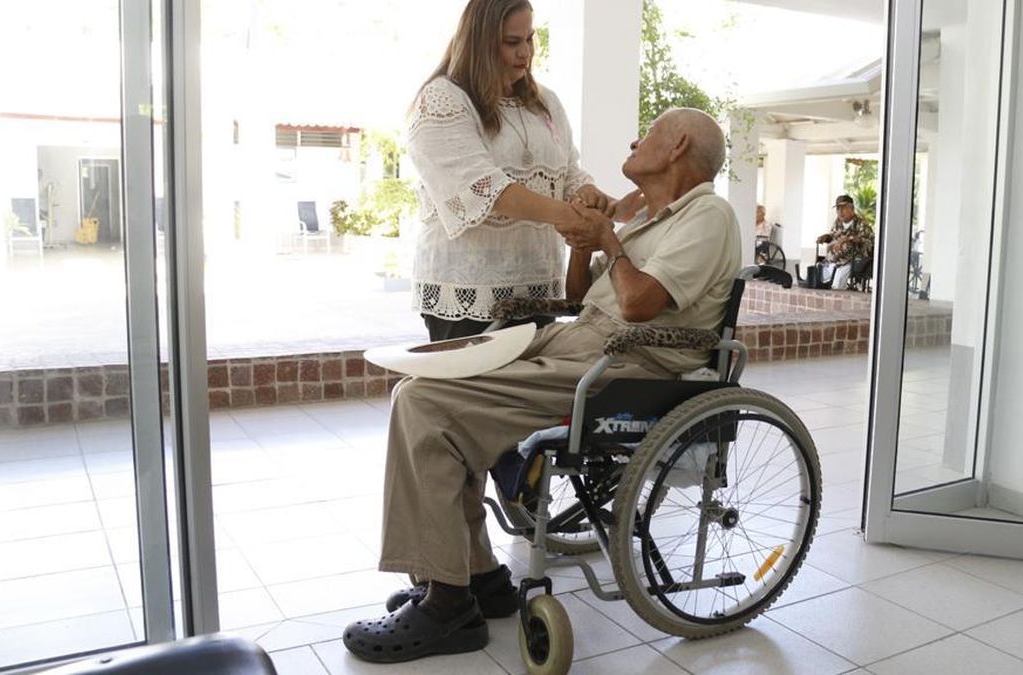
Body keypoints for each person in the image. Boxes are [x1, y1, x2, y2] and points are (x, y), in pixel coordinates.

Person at [342, 108, 741, 664]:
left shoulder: (709, 216)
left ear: (677, 147)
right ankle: (477, 577)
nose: (635, 138)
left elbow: (638, 304)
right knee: (428, 382)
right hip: (581, 340)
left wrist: (608, 237)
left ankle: (448, 604)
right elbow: (581, 295)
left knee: (422, 404)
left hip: (627, 365)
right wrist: (583, 242)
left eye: (649, 132)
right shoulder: (652, 218)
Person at [406, 0, 622, 343]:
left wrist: (587, 194)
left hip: (538, 286)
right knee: (471, 380)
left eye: (530, 39)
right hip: (470, 291)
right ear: (480, 42)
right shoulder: (443, 99)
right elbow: (487, 190)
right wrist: (575, 217)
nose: (525, 52)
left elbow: (568, 173)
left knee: (530, 380)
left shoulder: (546, 102)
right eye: (512, 42)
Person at [816, 194, 874, 289]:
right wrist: (826, 237)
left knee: (836, 285)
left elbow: (868, 241)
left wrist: (848, 239)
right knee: (817, 279)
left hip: (850, 262)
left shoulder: (861, 224)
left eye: (844, 208)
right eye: (838, 208)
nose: (840, 211)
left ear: (852, 209)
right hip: (833, 261)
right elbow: (833, 235)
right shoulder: (837, 223)